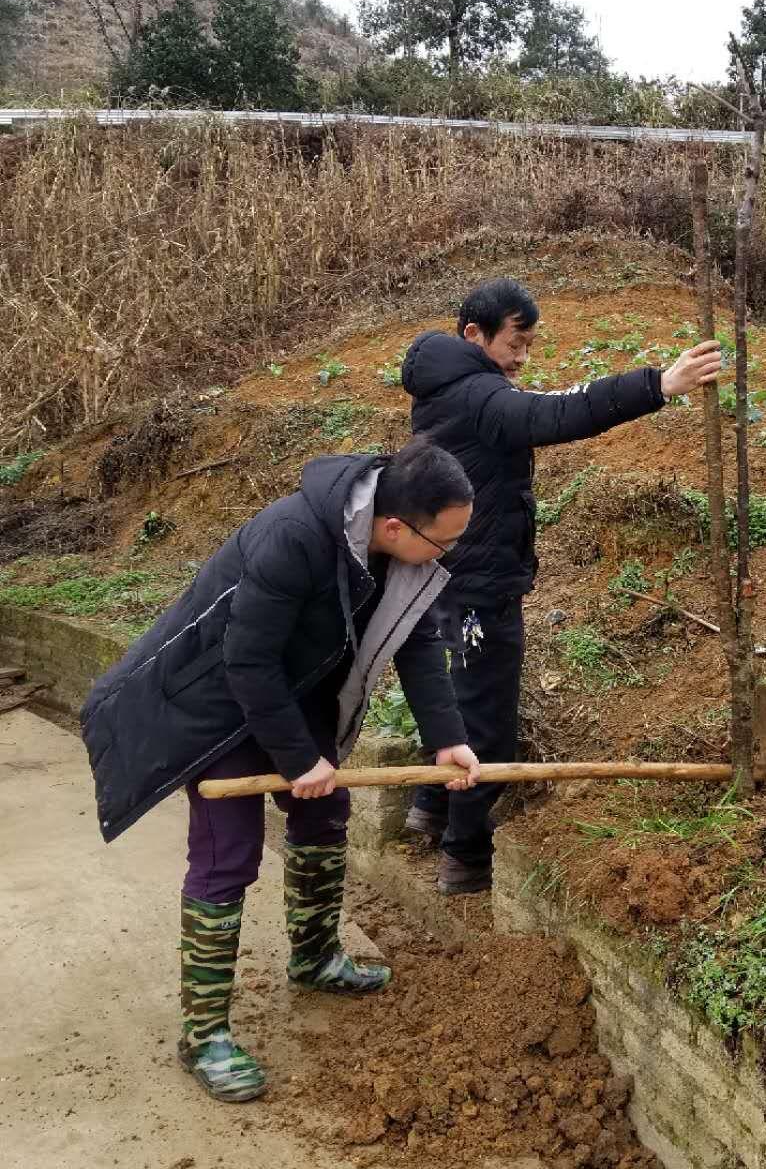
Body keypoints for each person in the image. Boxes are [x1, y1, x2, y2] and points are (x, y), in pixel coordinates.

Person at [81, 439, 480, 1103]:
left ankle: (316, 957)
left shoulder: (395, 558)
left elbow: (416, 639)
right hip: (219, 706)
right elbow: (246, 661)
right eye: (441, 541)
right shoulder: (293, 536)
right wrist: (300, 760)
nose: (447, 555)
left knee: (325, 817)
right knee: (228, 854)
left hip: (296, 693)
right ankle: (203, 1033)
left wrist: (447, 740)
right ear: (393, 526)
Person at [401, 278, 728, 895]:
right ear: (474, 335)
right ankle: (465, 858)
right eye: (515, 342)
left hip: (446, 576)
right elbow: (553, 414)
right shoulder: (477, 395)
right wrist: (658, 384)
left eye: (529, 343)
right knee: (486, 719)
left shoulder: (447, 388)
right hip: (476, 585)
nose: (523, 356)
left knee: (453, 691)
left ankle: (429, 806)